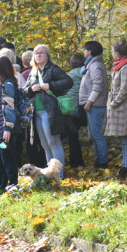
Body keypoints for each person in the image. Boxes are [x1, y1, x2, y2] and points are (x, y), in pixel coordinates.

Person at [23, 45, 73, 179]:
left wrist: (51, 86)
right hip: (36, 113)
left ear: (47, 55)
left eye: (41, 53)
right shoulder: (33, 72)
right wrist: (31, 89)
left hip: (50, 111)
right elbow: (24, 91)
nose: (38, 55)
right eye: (36, 53)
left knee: (54, 143)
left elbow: (68, 81)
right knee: (45, 145)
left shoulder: (53, 69)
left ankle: (59, 174)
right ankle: (50, 174)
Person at [0, 55, 21, 191]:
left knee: (7, 156)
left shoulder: (8, 84)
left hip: (6, 126)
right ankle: (1, 185)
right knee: (0, 157)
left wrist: (7, 128)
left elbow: (9, 107)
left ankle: (12, 184)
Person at [104, 40, 127, 180]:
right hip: (118, 109)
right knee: (124, 140)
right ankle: (125, 167)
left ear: (116, 54)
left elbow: (125, 89)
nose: (112, 54)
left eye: (112, 52)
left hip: (124, 109)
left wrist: (113, 103)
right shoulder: (119, 66)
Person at [80, 40, 110, 169]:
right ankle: (98, 160)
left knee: (97, 135)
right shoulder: (92, 64)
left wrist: (89, 101)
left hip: (95, 105)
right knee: (94, 135)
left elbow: (98, 85)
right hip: (93, 105)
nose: (84, 51)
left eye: (85, 49)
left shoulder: (95, 65)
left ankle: (103, 162)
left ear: (90, 51)